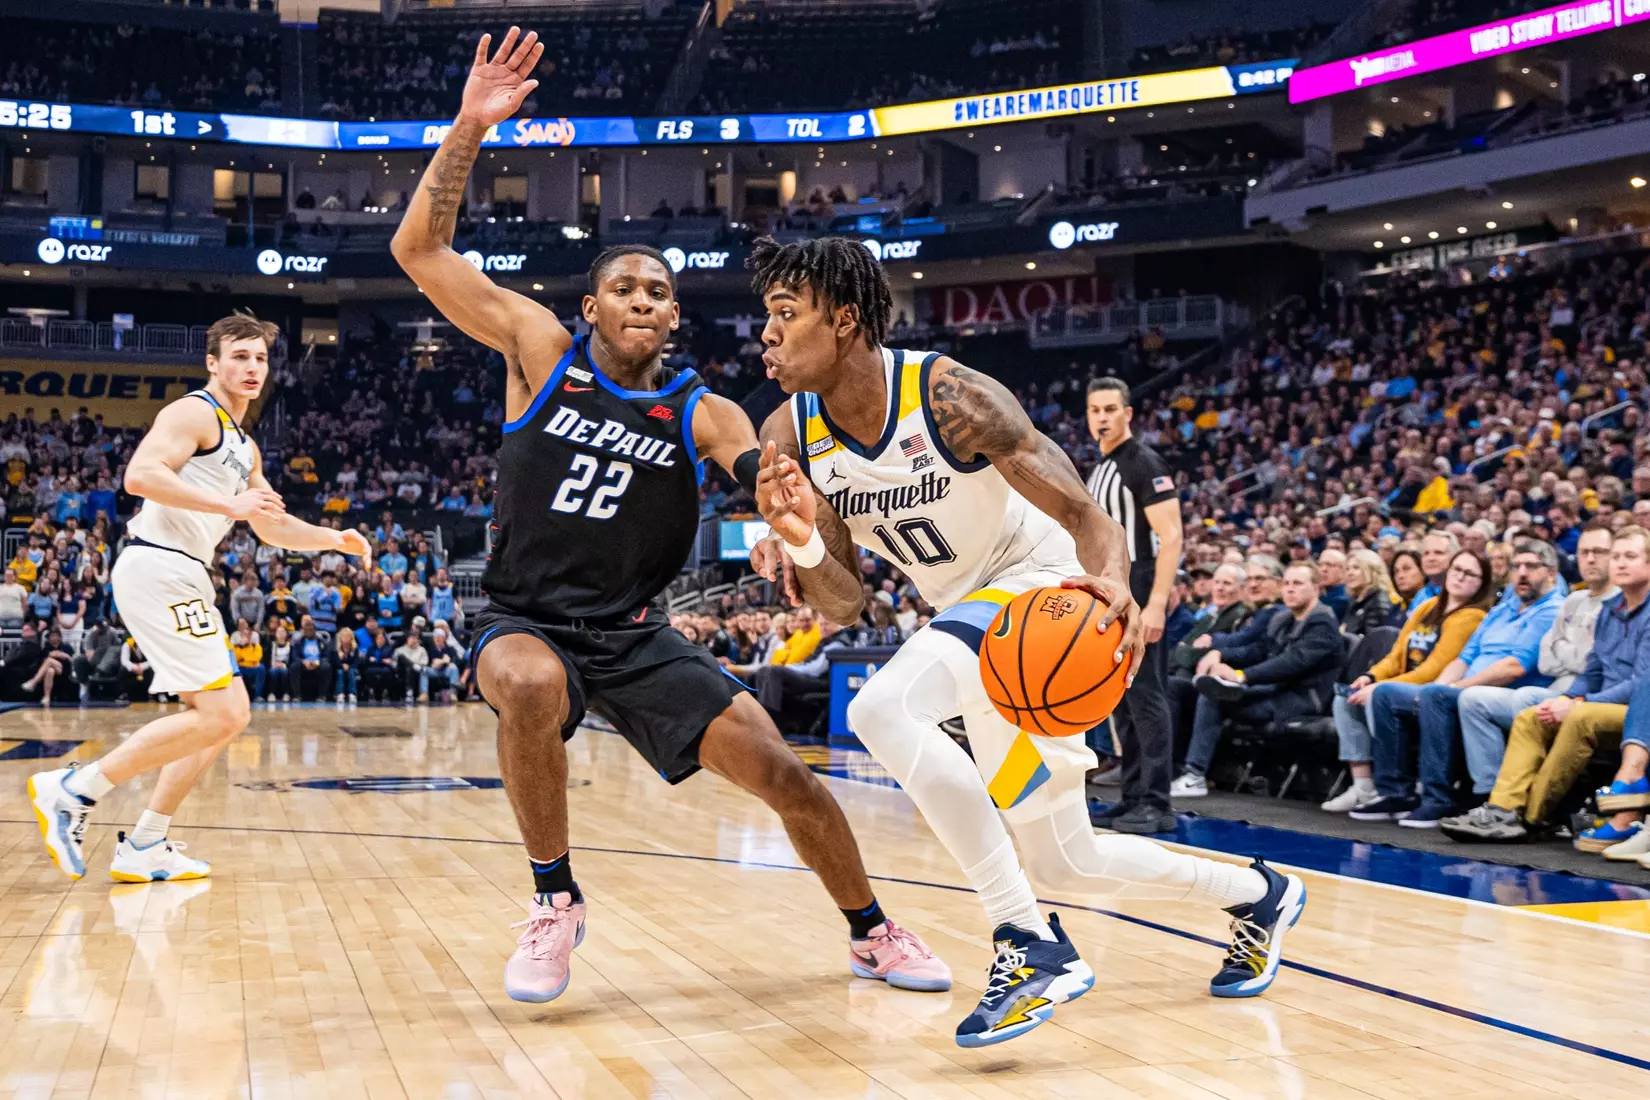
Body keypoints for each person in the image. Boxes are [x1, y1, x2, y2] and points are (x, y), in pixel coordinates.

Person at [391, 28, 946, 1008]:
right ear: (592, 306)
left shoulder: (698, 404)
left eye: (660, 290)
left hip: (636, 633)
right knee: (524, 676)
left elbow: (754, 465)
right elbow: (419, 248)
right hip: (524, 613)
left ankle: (871, 928)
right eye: (625, 287)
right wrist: (470, 127)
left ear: (673, 316)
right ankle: (555, 898)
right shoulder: (538, 349)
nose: (644, 299)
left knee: (788, 776)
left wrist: (782, 500)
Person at [749, 233, 1304, 1049]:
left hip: (1038, 589)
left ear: (843, 320)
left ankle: (1027, 940)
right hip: (972, 623)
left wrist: (1116, 581)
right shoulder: (792, 434)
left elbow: (1085, 514)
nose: (765, 333)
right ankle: (1259, 893)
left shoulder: (951, 397)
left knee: (882, 710)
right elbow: (845, 603)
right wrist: (799, 539)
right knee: (1062, 858)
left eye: (785, 314)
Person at [28, 313, 372, 884]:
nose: (252, 367)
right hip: (158, 565)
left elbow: (272, 527)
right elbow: (139, 476)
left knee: (217, 719)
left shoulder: (245, 447)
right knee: (226, 711)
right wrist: (227, 507)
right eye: (240, 356)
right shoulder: (194, 412)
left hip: (183, 573)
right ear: (212, 363)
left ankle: (146, 843)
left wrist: (333, 540)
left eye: (260, 358)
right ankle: (74, 788)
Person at [1441, 526, 1650, 843]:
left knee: (1578, 718)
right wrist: (1566, 697)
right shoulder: (1610, 610)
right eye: (1617, 556)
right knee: (1533, 715)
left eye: (1630, 557)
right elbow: (1592, 669)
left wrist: (1580, 703)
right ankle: (1501, 808)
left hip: (1636, 713)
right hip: (1599, 703)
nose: (1619, 563)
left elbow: (1641, 684)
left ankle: (1532, 817)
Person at [1353, 539, 1566, 826]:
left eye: (1531, 566)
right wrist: (1437, 687)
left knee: (1435, 697)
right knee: (1387, 694)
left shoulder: (1551, 610)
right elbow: (1465, 657)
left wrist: (1452, 689)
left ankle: (1436, 799)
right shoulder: (1504, 608)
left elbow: (1515, 666)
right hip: (1462, 689)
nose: (1522, 573)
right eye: (1517, 566)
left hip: (1502, 694)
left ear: (1551, 573)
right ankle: (1396, 793)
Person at [1083, 377, 1183, 835]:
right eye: (1094, 410)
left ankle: (1159, 803)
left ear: (1128, 414)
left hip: (1140, 583)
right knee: (1122, 697)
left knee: (1147, 696)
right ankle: (1133, 796)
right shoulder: (1098, 468)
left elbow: (1172, 536)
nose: (1102, 417)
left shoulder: (1143, 462)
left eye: (1110, 409)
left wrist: (1157, 602)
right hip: (1113, 586)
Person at [1323, 550, 1493, 813]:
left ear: (1481, 584)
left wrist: (1379, 687)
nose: (1460, 577)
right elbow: (1396, 656)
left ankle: (1398, 788)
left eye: (1469, 574)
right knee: (1345, 697)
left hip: (1433, 689)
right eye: (1457, 569)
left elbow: (1433, 669)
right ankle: (1364, 787)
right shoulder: (1427, 606)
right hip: (1401, 684)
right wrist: (1371, 676)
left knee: (1381, 696)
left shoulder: (1471, 617)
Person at [1174, 562, 1344, 796]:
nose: (1290, 589)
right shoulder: (1284, 618)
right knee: (1207, 694)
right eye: (1286, 584)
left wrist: (1242, 676)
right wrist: (1221, 654)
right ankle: (1186, 771)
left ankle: (1194, 775)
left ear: (1315, 588)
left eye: (1297, 584)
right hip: (1275, 690)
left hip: (1302, 699)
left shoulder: (1323, 621)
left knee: (1212, 697)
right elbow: (1258, 650)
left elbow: (1291, 663)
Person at [1340, 549, 1401, 635]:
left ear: (1372, 570)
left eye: (1356, 567)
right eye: (1347, 569)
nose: (1350, 573)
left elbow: (1375, 642)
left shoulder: (1379, 602)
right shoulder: (1355, 601)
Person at [231, 618, 265, 700]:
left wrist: (244, 660)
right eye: (244, 635)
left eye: (248, 635)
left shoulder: (255, 646)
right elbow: (235, 659)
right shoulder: (236, 646)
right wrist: (242, 647)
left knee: (261, 668)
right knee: (234, 670)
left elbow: (257, 657)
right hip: (241, 668)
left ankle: (257, 695)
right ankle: (237, 696)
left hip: (252, 668)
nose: (246, 637)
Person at [335, 628, 362, 702]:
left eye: (347, 636)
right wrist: (342, 665)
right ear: (340, 637)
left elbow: (356, 662)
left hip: (353, 668)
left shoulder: (355, 648)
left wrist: (349, 666)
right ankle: (340, 694)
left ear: (351, 638)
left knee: (351, 672)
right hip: (339, 668)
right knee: (340, 672)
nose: (345, 638)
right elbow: (334, 661)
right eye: (344, 636)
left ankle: (352, 694)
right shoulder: (337, 648)